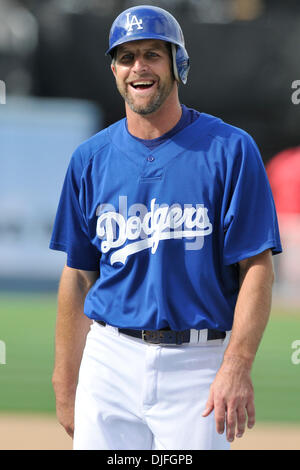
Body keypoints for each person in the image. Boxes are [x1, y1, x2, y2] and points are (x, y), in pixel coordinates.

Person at [50, 5, 282, 450]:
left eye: (153, 54)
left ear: (178, 65)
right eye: (126, 56)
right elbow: (79, 274)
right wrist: (65, 381)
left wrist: (237, 364)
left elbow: (256, 267)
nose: (139, 66)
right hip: (109, 357)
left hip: (197, 363)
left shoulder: (230, 150)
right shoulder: (90, 158)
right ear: (115, 70)